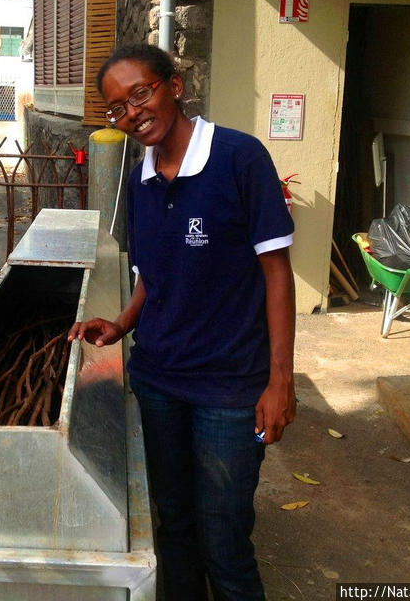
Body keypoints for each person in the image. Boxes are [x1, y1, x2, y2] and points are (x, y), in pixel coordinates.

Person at [68, 43, 296, 601]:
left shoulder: (240, 159)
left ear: (175, 84)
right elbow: (155, 273)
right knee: (174, 529)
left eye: (140, 93)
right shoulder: (141, 179)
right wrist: (122, 324)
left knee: (224, 541)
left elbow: (277, 273)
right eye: (117, 108)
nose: (131, 113)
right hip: (159, 381)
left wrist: (280, 380)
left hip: (229, 389)